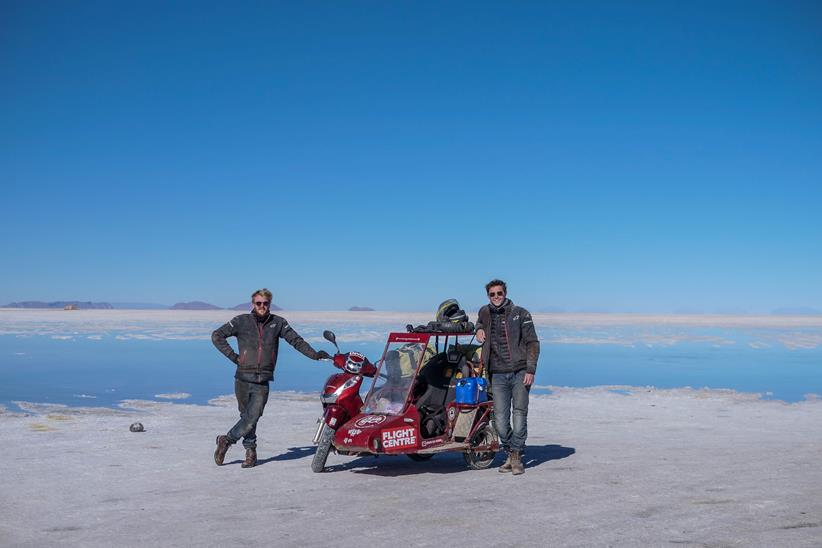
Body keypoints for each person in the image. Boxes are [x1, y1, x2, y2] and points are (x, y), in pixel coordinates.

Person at [211, 288, 330, 468]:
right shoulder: (241, 321)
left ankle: (226, 440)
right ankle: (251, 452)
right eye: (258, 303)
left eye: (265, 303)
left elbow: (296, 341)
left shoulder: (278, 323)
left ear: (269, 304)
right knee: (246, 417)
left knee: (253, 416)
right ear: (253, 304)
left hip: (262, 379)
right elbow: (217, 336)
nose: (262, 306)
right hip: (242, 377)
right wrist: (235, 357)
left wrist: (314, 355)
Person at [475, 279, 539, 475]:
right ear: (488, 296)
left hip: (519, 372)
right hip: (497, 375)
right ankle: (511, 451)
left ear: (505, 293)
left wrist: (530, 369)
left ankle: (517, 455)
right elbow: (479, 322)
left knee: (519, 415)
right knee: (500, 421)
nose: (496, 297)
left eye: (499, 293)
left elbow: (533, 343)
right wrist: (478, 329)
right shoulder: (484, 312)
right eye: (492, 294)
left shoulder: (520, 313)